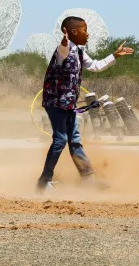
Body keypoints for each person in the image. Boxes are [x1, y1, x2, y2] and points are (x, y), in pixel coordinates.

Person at [38, 17, 134, 192]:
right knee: (60, 139)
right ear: (73, 32)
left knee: (74, 140)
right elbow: (63, 50)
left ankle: (88, 179)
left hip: (68, 104)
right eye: (84, 30)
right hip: (55, 102)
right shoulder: (63, 50)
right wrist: (64, 42)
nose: (87, 34)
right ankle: (44, 181)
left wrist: (114, 55)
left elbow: (96, 66)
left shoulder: (80, 52)